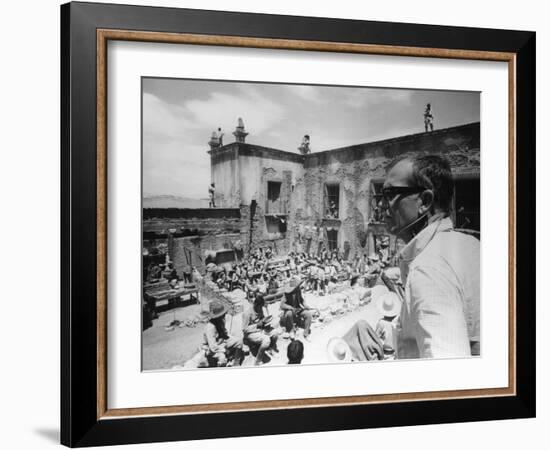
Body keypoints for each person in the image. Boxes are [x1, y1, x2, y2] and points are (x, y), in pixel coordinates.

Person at [380, 154, 480, 358]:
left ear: (425, 201)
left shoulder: (428, 268)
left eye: (390, 195)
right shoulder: (471, 245)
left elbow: (446, 376)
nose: (381, 205)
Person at [202, 301, 243, 367]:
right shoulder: (210, 327)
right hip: (212, 348)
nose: (225, 315)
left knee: (239, 341)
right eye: (222, 314)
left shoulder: (220, 321)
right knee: (222, 358)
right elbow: (213, 347)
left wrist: (233, 339)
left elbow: (225, 333)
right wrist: (225, 350)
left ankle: (236, 364)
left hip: (221, 343)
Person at [242, 294, 279, 365]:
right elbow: (244, 329)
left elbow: (262, 319)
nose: (260, 308)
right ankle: (258, 360)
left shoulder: (260, 308)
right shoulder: (247, 312)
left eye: (261, 307)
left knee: (275, 333)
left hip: (260, 329)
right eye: (259, 306)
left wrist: (266, 322)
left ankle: (271, 349)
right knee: (266, 340)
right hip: (251, 333)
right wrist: (256, 325)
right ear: (255, 304)